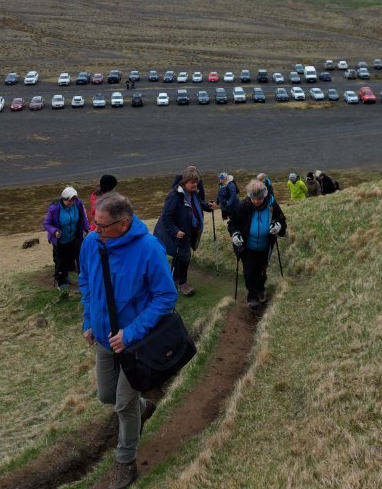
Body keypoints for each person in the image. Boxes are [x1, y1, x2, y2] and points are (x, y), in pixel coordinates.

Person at [79, 192, 177, 489]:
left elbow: (165, 296)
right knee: (107, 396)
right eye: (94, 223)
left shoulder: (149, 249)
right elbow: (85, 280)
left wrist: (131, 332)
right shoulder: (91, 243)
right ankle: (144, 407)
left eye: (102, 226)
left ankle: (126, 463)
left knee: (123, 404)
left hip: (136, 344)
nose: (95, 230)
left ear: (124, 224)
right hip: (104, 340)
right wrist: (88, 320)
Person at [154, 167, 217, 296]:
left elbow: (199, 204)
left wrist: (208, 206)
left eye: (196, 182)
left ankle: (176, 279)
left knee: (180, 257)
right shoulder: (175, 196)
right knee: (184, 257)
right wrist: (175, 231)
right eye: (192, 182)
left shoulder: (193, 194)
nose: (195, 184)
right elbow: (166, 217)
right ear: (184, 182)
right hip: (177, 233)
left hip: (187, 231)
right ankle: (182, 284)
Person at [228, 179, 287, 309]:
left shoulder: (272, 205)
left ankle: (260, 289)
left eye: (259, 198)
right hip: (247, 247)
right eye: (253, 198)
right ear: (249, 196)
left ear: (264, 195)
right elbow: (233, 224)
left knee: (261, 271)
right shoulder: (243, 206)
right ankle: (252, 296)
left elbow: (282, 222)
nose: (256, 201)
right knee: (249, 272)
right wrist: (235, 234)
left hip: (265, 246)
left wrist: (278, 226)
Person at [43, 186, 90, 293]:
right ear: (63, 199)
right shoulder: (54, 208)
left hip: (75, 238)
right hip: (61, 241)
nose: (71, 202)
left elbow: (83, 219)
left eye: (73, 199)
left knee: (76, 258)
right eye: (69, 200)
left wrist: (87, 229)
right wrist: (54, 231)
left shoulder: (78, 204)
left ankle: (80, 279)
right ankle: (61, 281)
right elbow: (46, 224)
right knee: (61, 261)